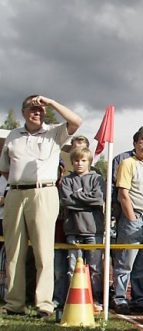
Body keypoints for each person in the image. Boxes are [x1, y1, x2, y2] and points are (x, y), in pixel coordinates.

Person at [0, 95, 82, 318]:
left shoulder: (54, 132)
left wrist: (52, 102)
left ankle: (44, 304)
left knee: (43, 250)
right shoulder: (14, 136)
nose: (37, 112)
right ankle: (14, 303)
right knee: (14, 251)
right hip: (16, 193)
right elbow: (5, 168)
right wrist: (18, 182)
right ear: (23, 111)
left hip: (44, 192)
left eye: (40, 109)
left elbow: (77, 121)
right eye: (32, 109)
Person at [112, 127, 143, 314]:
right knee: (126, 262)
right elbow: (123, 194)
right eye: (142, 142)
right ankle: (119, 298)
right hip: (135, 218)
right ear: (135, 144)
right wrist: (132, 217)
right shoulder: (127, 163)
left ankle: (139, 300)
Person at [59, 147, 105, 309]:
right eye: (76, 161)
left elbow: (98, 200)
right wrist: (86, 199)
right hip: (73, 230)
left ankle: (96, 299)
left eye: (83, 160)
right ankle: (72, 300)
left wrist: (76, 195)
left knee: (95, 269)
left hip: (94, 230)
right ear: (72, 162)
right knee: (73, 268)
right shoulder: (67, 180)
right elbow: (66, 201)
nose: (79, 164)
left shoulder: (97, 178)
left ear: (89, 162)